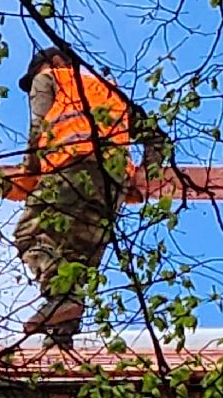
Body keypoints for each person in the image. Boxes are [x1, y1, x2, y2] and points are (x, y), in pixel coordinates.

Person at [13, 46, 147, 344]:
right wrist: (146, 173)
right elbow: (156, 136)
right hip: (112, 180)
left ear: (53, 62)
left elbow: (38, 128)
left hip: (71, 164)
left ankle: (58, 302)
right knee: (79, 254)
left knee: (29, 234)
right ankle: (62, 331)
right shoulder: (111, 91)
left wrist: (28, 173)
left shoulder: (50, 77)